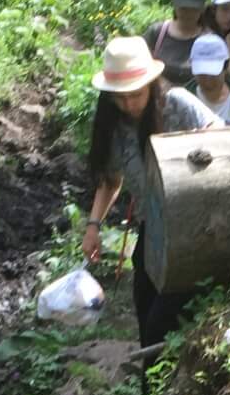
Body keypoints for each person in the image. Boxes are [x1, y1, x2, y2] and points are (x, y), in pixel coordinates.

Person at [83, 35, 217, 347]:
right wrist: (93, 226)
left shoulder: (178, 104)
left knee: (162, 319)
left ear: (151, 85)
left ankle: (161, 381)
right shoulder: (114, 125)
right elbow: (111, 181)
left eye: (136, 95)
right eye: (121, 97)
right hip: (151, 228)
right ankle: (149, 389)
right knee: (143, 309)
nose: (129, 104)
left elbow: (220, 139)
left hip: (191, 229)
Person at [145, 0, 210, 85]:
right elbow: (140, 65)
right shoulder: (157, 33)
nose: (188, 14)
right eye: (183, 8)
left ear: (202, 8)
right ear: (174, 5)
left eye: (193, 9)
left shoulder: (210, 40)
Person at [188, 33, 230, 123]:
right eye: (202, 72)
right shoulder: (184, 100)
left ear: (225, 67)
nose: (207, 78)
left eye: (212, 71)